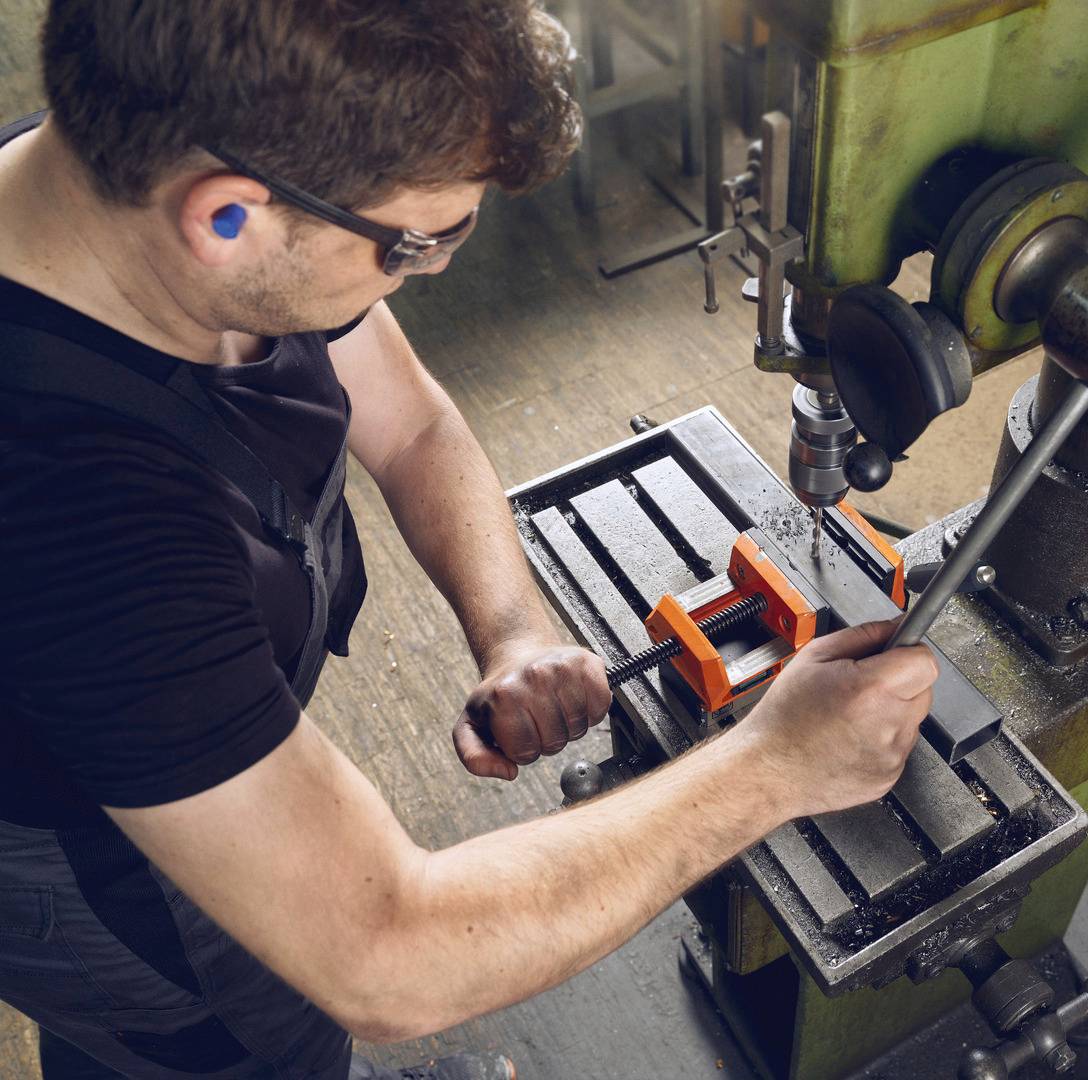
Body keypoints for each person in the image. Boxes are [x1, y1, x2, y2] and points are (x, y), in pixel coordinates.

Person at [0, 2, 940, 1077]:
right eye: (419, 240)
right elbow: (387, 957)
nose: (436, 268)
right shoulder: (77, 520)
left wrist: (514, 632)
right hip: (102, 877)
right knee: (229, 1037)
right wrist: (776, 767)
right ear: (227, 217)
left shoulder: (137, 177)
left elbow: (410, 424)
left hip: (161, 737)